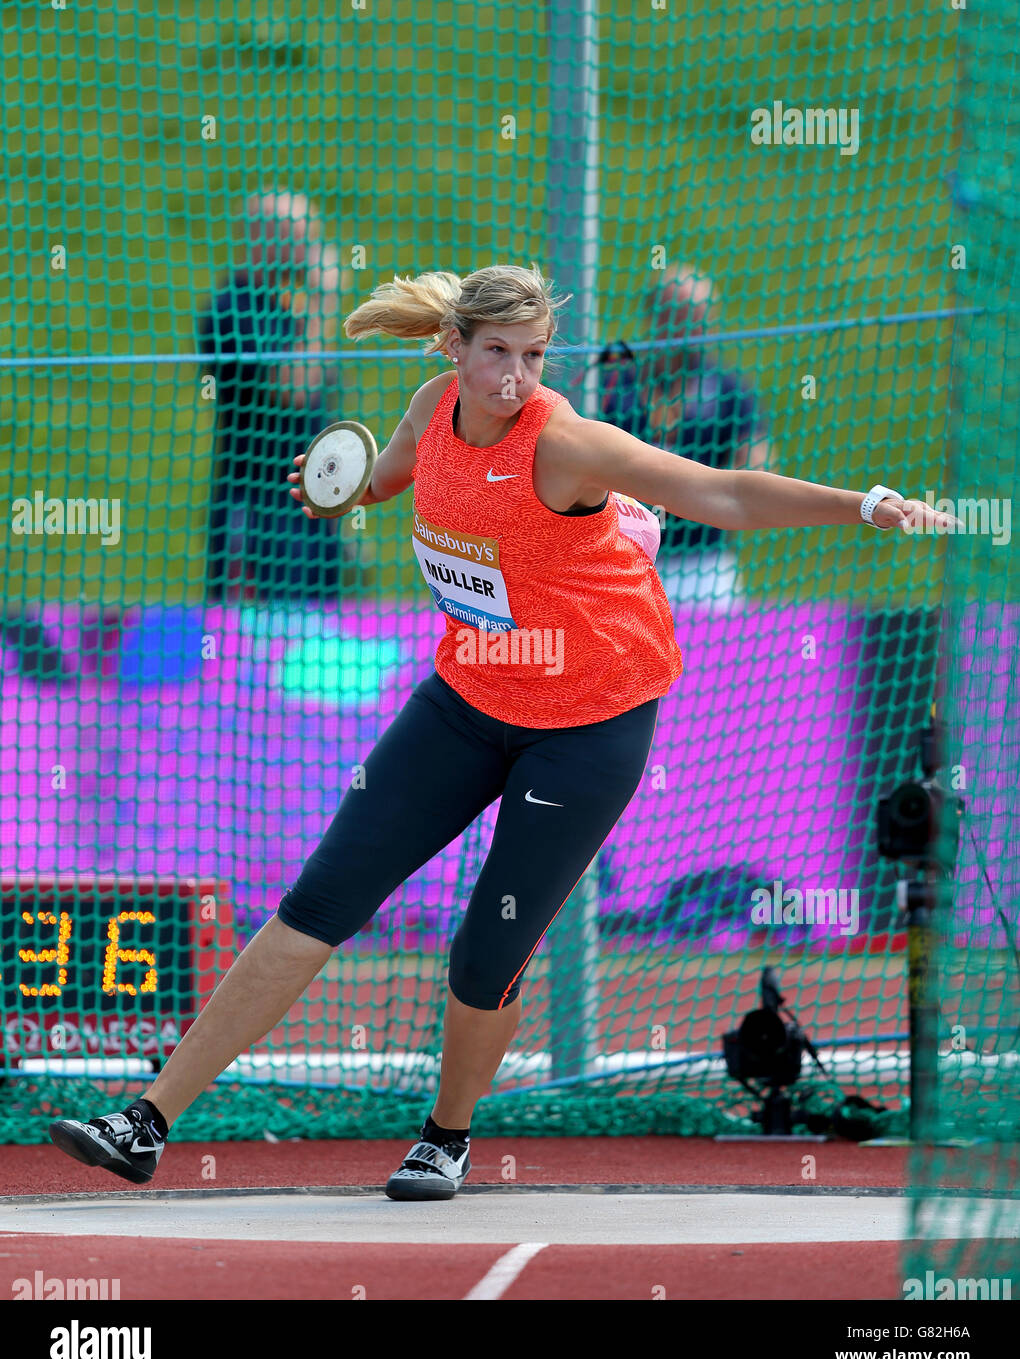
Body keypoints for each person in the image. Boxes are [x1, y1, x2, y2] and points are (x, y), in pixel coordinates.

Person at [49, 263, 948, 1200]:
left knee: (487, 946)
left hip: (588, 723)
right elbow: (383, 480)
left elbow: (719, 494)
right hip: (467, 700)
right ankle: (145, 1123)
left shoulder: (567, 443)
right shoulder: (433, 406)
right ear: (454, 349)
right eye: (496, 355)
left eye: (532, 356)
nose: (515, 377)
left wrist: (863, 504)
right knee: (317, 902)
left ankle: (446, 1137)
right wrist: (335, 487)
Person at [198, 189, 349, 604]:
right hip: (257, 514)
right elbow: (293, 389)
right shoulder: (233, 309)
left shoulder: (290, 307)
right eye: (302, 236)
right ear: (261, 234)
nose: (313, 248)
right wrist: (325, 300)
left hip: (311, 510)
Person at [598, 263, 773, 609]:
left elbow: (756, 469)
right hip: (623, 557)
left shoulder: (730, 391)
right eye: (677, 313)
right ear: (652, 317)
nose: (691, 325)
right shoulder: (613, 388)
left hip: (703, 566)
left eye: (699, 314)